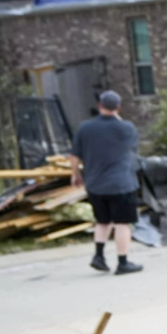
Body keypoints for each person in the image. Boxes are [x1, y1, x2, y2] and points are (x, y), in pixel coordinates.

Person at [70, 90, 143, 275]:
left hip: (95, 183)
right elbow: (132, 148)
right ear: (119, 107)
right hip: (121, 184)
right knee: (122, 223)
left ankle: (99, 256)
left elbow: (74, 155)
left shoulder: (85, 128)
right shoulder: (126, 128)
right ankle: (123, 262)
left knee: (102, 221)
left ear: (99, 106)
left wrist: (75, 174)